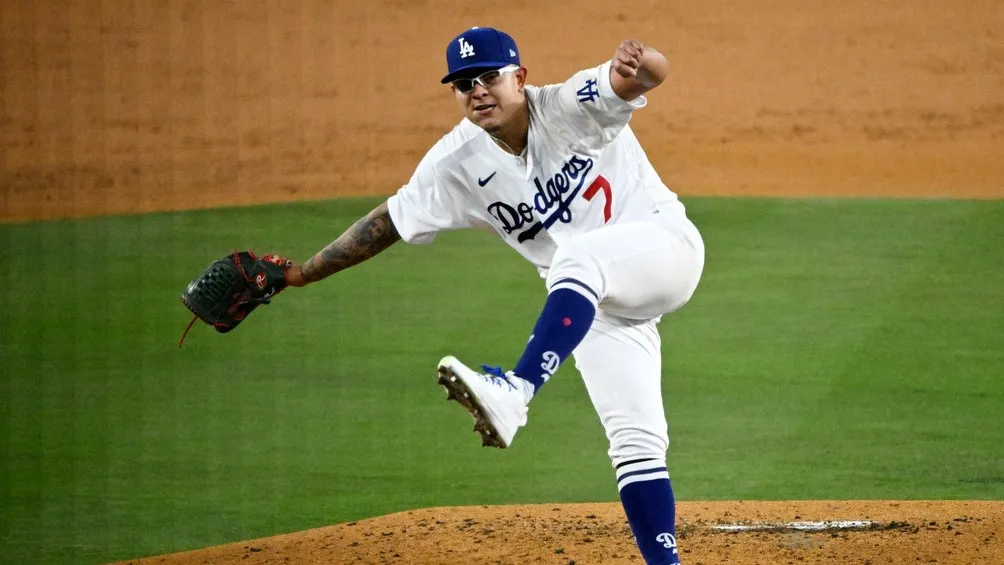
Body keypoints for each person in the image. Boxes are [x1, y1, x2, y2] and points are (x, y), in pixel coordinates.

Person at [281, 26, 705, 565]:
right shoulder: (455, 164)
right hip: (594, 307)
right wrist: (300, 275)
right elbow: (389, 221)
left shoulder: (569, 105)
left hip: (664, 250)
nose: (477, 90)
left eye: (488, 77)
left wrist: (640, 64)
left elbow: (643, 78)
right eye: (463, 84)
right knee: (634, 444)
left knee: (573, 259)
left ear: (519, 78)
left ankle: (517, 391)